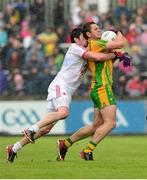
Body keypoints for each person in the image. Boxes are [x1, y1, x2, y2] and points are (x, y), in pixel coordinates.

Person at [7, 27, 117, 162]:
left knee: (46, 129)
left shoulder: (86, 49)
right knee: (64, 113)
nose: (86, 40)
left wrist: (114, 53)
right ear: (76, 39)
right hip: (60, 86)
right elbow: (97, 56)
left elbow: (100, 58)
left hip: (65, 91)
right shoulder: (75, 48)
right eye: (84, 38)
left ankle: (14, 148)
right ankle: (31, 129)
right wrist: (116, 54)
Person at [57, 22, 131, 161]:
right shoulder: (96, 43)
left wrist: (120, 56)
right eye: (96, 29)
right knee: (111, 123)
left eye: (99, 28)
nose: (99, 30)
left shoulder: (99, 46)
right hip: (102, 87)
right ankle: (87, 150)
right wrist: (119, 31)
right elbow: (122, 43)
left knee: (96, 125)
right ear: (89, 34)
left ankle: (64, 144)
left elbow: (107, 60)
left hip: (98, 88)